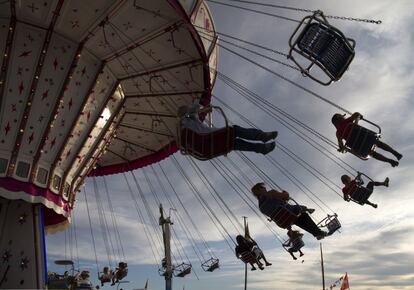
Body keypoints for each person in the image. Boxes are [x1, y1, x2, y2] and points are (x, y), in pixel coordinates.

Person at [177, 102, 278, 156]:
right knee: (235, 130)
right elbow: (195, 108)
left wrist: (203, 109)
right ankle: (261, 136)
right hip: (211, 137)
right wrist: (197, 101)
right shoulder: (187, 119)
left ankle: (262, 149)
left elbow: (195, 113)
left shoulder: (186, 127)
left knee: (234, 144)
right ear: (184, 112)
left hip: (210, 147)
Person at [251, 183, 327, 240]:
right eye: (262, 187)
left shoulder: (261, 208)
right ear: (258, 190)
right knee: (302, 214)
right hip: (290, 212)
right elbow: (286, 196)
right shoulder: (271, 193)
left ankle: (317, 233)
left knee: (298, 219)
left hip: (283, 221)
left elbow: (274, 210)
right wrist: (285, 193)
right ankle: (317, 230)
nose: (265, 188)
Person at [331, 112, 402, 167]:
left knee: (372, 154)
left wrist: (342, 148)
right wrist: (357, 120)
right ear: (338, 118)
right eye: (342, 116)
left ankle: (389, 161)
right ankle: (395, 153)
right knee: (378, 143)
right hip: (366, 137)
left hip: (359, 146)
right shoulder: (346, 121)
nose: (344, 117)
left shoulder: (338, 133)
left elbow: (340, 145)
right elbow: (356, 114)